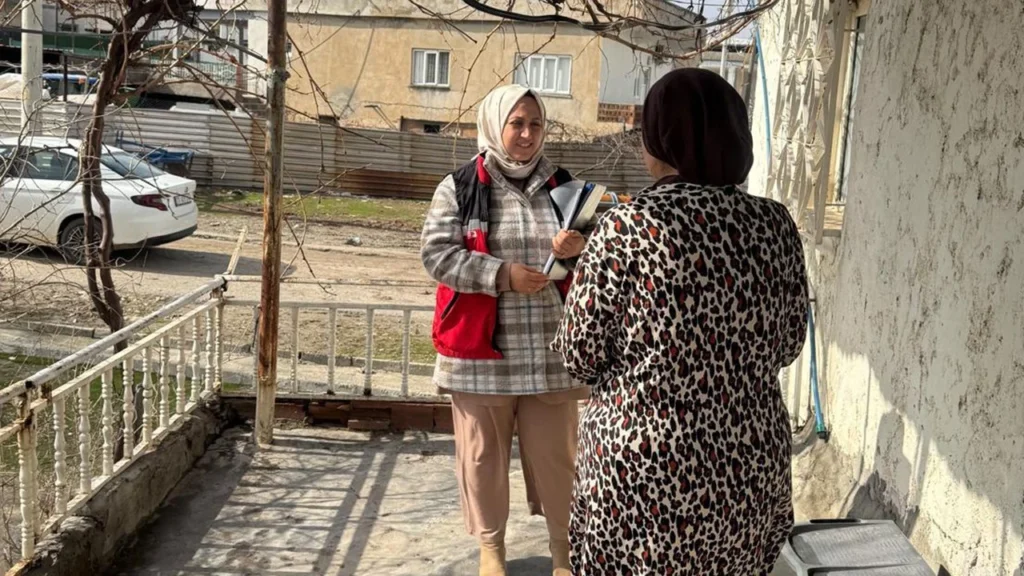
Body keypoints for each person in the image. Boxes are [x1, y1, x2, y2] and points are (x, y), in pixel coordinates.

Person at [552, 68, 809, 575]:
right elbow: (788, 344)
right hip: (747, 466)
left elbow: (579, 355)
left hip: (643, 473)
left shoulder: (626, 227)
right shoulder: (775, 225)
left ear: (660, 139)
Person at [421, 84, 591, 576]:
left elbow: (598, 256)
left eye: (536, 124)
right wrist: (502, 275)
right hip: (481, 355)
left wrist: (579, 247)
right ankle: (491, 550)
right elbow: (437, 255)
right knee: (482, 459)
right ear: (496, 125)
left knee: (559, 459)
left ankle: (563, 551)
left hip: (550, 352)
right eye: (517, 123)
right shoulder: (460, 186)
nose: (527, 134)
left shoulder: (565, 187)